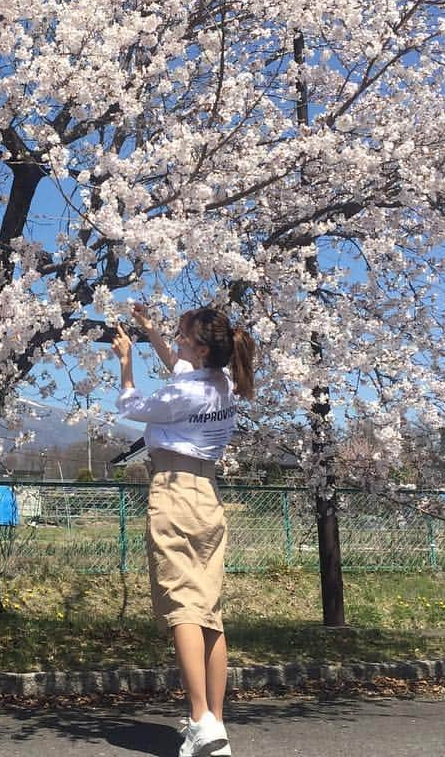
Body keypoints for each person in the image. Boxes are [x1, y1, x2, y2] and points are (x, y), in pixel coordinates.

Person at [111, 302, 256, 757]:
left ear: (198, 345)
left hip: (173, 492)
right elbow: (180, 370)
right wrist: (151, 333)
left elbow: (132, 406)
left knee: (182, 606)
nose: (175, 340)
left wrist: (126, 363)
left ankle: (198, 719)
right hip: (208, 497)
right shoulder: (223, 384)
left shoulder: (185, 394)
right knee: (208, 610)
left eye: (180, 334)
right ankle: (214, 723)